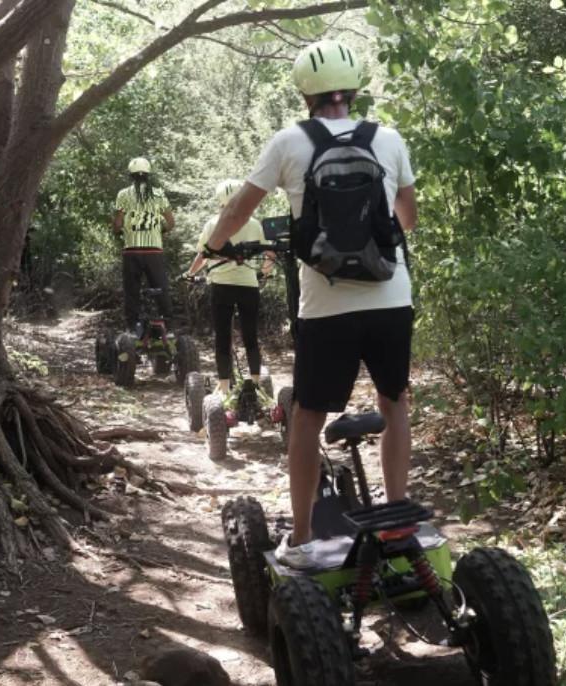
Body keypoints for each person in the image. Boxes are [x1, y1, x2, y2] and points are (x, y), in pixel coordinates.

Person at [205, 39, 418, 568]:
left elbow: (237, 210)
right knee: (394, 403)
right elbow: (408, 219)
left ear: (305, 93)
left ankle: (301, 538)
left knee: (307, 418)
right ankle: (397, 520)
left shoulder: (289, 143)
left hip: (326, 307)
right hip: (391, 298)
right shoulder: (389, 139)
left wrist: (213, 247)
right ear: (355, 89)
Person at [184, 179, 274, 395]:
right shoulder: (255, 224)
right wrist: (263, 272)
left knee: (222, 337)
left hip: (221, 286)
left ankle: (224, 387)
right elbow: (270, 255)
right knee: (251, 336)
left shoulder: (213, 223)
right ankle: (255, 385)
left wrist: (190, 274)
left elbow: (203, 255)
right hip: (249, 286)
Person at [113, 157, 176, 332]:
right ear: (148, 174)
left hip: (131, 250)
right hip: (153, 250)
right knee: (160, 288)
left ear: (130, 175)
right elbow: (171, 222)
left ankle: (133, 329)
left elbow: (117, 223)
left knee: (132, 292)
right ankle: (168, 327)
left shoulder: (123, 194)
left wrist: (119, 231)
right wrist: (160, 230)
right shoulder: (159, 194)